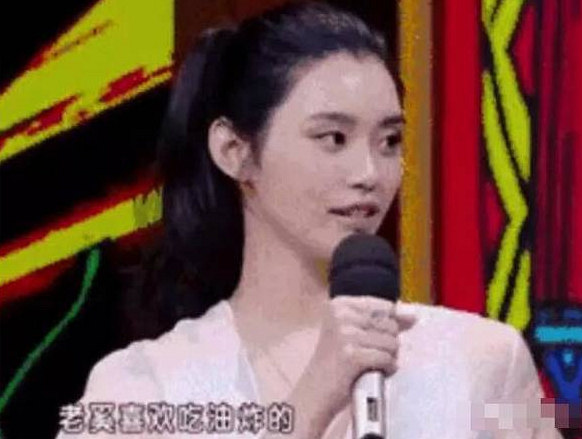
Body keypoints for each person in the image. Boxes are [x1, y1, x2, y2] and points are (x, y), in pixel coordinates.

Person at [55, 1, 563, 438]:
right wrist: (311, 400)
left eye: (389, 141)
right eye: (333, 139)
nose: (369, 174)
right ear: (234, 150)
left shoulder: (482, 362)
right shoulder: (141, 389)